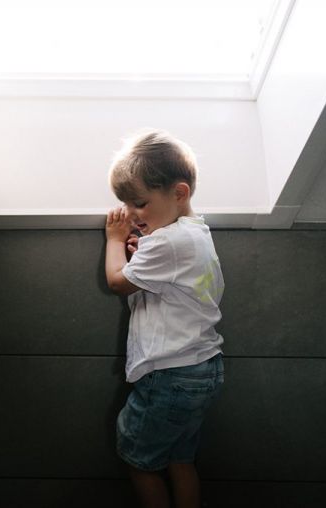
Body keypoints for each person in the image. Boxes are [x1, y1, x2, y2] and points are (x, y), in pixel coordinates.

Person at [104, 129, 225, 508]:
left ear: (179, 192)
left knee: (139, 460)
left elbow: (118, 282)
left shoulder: (167, 241)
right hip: (202, 369)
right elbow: (170, 278)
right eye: (125, 205)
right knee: (180, 459)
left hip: (170, 374)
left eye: (139, 203)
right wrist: (144, 251)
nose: (130, 214)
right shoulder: (194, 233)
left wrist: (114, 241)